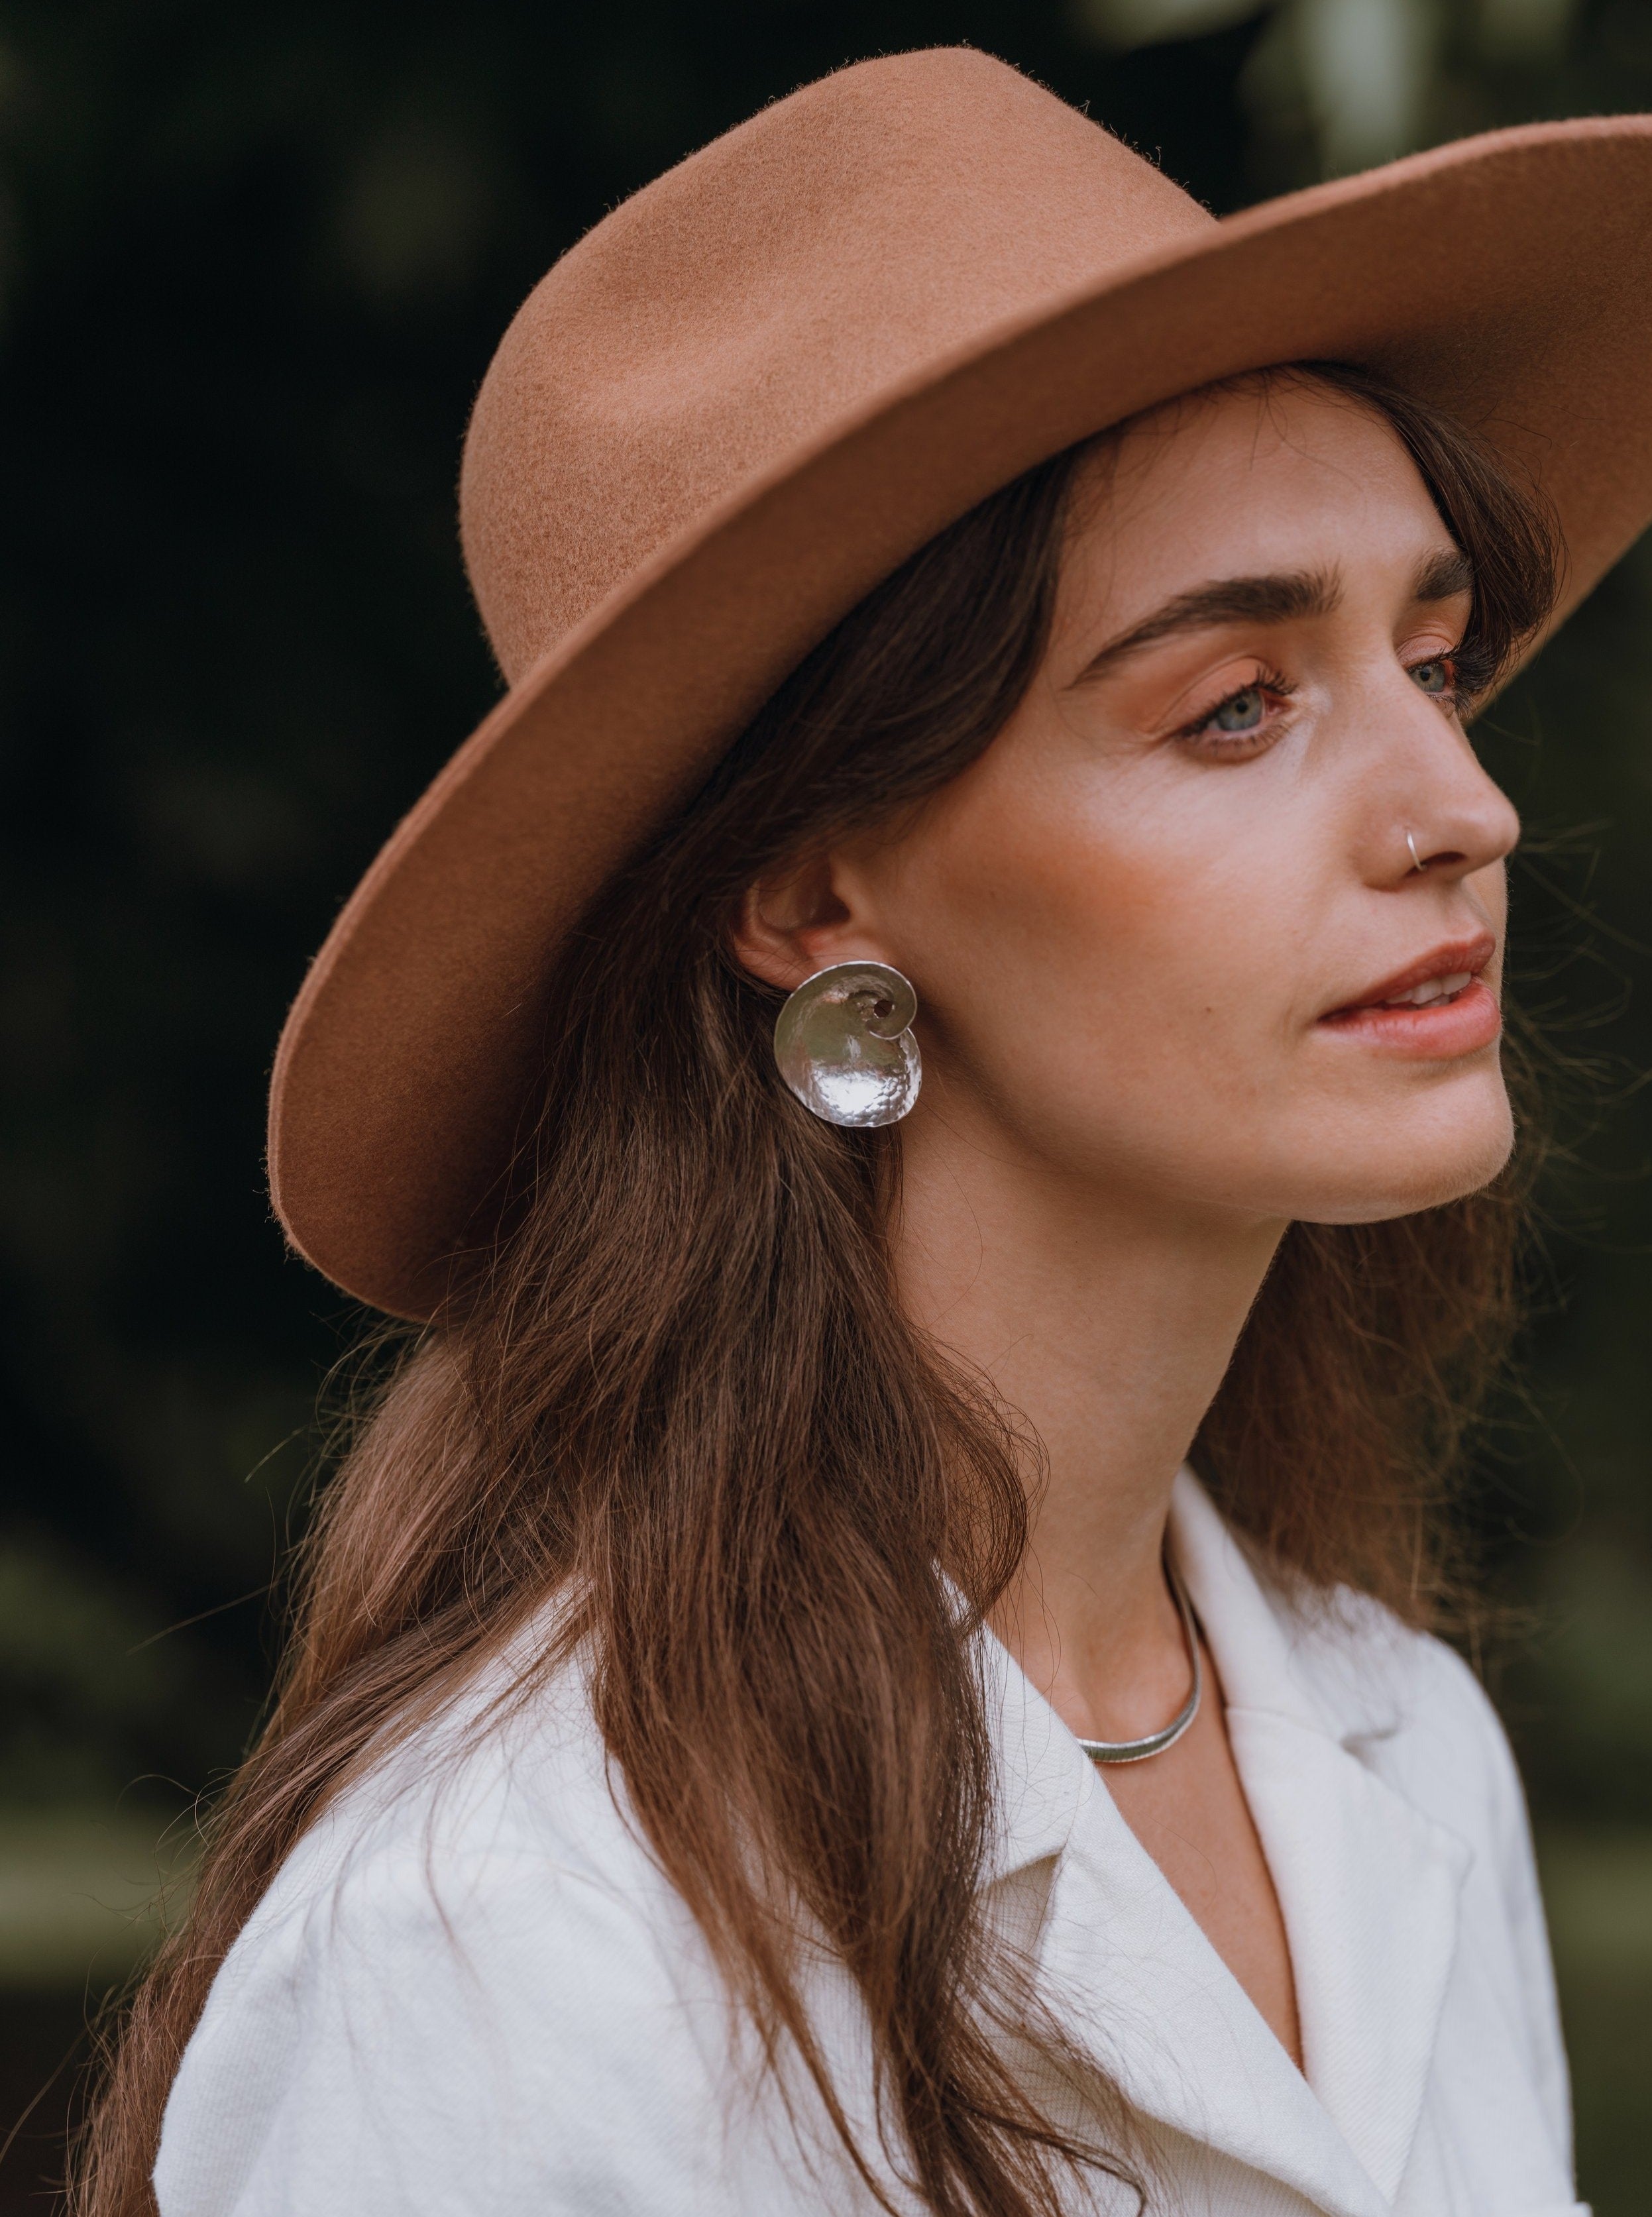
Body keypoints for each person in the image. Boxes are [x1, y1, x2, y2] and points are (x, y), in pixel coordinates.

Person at [78, 47, 1652, 2217]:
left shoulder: (1399, 1751)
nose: (1461, 813)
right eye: (1235, 707)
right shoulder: (515, 1938)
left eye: (1441, 664)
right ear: (820, 891)